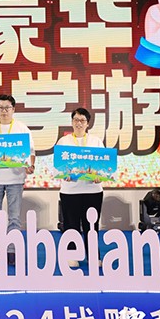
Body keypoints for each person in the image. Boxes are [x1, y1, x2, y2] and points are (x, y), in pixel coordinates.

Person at [0, 94, 35, 267]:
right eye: (1, 108)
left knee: (14, 217)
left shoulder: (22, 128)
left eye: (7, 108)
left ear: (13, 109)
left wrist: (30, 165)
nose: (4, 111)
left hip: (16, 178)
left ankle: (12, 251)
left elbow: (31, 152)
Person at [55, 107, 104, 268]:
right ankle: (72, 255)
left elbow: (103, 166)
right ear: (71, 122)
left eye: (82, 120)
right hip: (70, 191)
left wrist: (99, 175)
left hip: (93, 191)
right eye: (76, 120)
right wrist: (64, 173)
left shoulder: (96, 141)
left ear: (88, 123)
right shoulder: (64, 142)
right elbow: (58, 166)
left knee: (92, 225)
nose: (79, 123)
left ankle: (93, 256)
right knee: (71, 225)